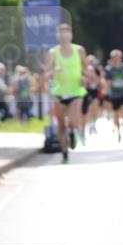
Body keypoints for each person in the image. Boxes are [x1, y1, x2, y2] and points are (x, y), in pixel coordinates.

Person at [43, 24, 87, 163]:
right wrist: (53, 72)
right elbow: (47, 73)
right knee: (62, 125)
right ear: (57, 36)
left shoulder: (79, 50)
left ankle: (73, 132)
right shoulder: (53, 52)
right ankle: (64, 153)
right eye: (61, 34)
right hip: (59, 92)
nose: (64, 36)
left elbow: (86, 68)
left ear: (71, 35)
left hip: (76, 91)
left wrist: (85, 77)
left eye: (66, 33)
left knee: (72, 120)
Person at [104, 49, 123, 142]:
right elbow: (107, 82)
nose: (116, 59)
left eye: (118, 57)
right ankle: (119, 132)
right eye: (114, 58)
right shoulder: (108, 69)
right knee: (115, 114)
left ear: (120, 58)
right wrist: (105, 91)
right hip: (113, 94)